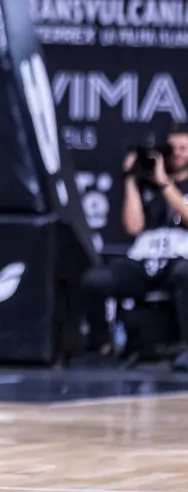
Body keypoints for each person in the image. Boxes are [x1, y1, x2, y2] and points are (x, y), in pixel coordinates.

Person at [81, 131, 188, 368]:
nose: (178, 153)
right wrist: (132, 178)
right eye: (174, 148)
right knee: (95, 280)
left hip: (180, 258)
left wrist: (165, 183)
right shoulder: (148, 185)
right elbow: (134, 226)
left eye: (184, 147)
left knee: (186, 274)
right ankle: (102, 344)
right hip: (145, 258)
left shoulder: (166, 184)